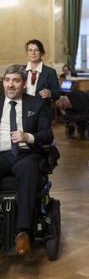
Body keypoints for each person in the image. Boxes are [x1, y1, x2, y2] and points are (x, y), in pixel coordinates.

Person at [0, 64, 54, 256]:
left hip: (26, 154)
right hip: (2, 154)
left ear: (23, 83)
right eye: (7, 80)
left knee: (29, 170)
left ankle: (23, 232)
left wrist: (28, 137)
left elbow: (48, 135)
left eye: (15, 80)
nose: (11, 85)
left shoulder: (36, 103)